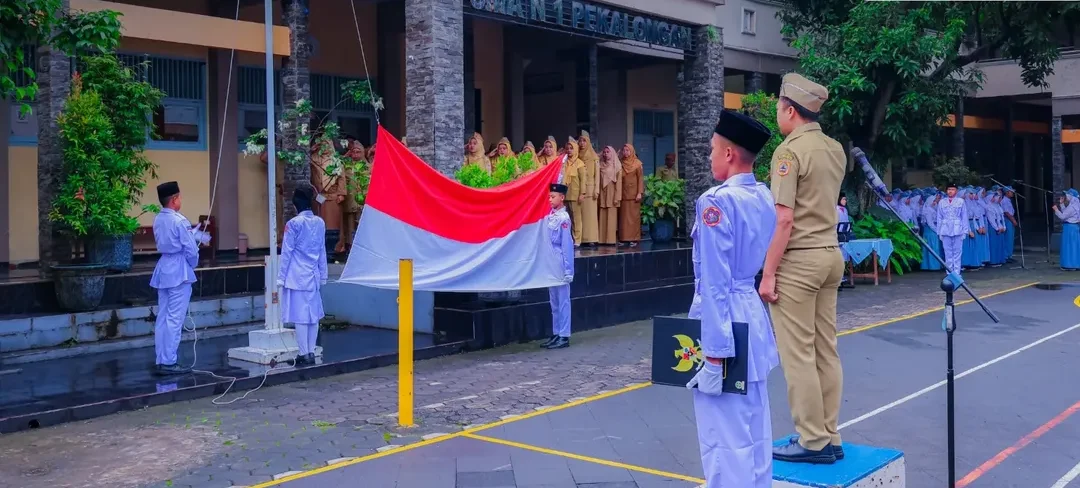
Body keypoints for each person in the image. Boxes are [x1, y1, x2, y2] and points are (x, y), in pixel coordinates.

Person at [687, 109, 779, 487]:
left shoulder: (716, 202)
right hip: (750, 317)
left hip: (725, 323)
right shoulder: (763, 196)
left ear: (728, 154)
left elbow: (714, 282)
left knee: (723, 440)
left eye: (712, 149)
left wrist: (713, 356)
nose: (709, 156)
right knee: (755, 429)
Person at [759, 73, 846, 464]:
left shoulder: (788, 152)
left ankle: (812, 440)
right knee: (826, 350)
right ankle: (830, 433)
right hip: (831, 254)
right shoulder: (834, 149)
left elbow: (783, 220)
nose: (778, 116)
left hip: (799, 260)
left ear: (789, 110)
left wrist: (769, 272)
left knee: (798, 354)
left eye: (779, 108)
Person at [151, 181, 201, 376]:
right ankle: (170, 361)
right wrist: (193, 263)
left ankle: (161, 359)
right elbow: (190, 250)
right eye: (179, 196)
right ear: (173, 199)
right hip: (179, 269)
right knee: (174, 318)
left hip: (164, 267)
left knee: (162, 317)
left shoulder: (158, 219)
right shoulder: (179, 221)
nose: (180, 200)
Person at [279, 186, 328, 365]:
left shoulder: (293, 224)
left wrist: (280, 278)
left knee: (301, 316)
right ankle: (311, 351)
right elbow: (322, 250)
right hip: (313, 275)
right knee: (313, 315)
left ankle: (303, 352)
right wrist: (324, 274)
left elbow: (287, 253)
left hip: (297, 276)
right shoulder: (320, 222)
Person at [541, 183, 575, 350]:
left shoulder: (564, 219)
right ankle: (556, 333)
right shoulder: (550, 216)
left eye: (553, 197)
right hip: (551, 264)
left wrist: (569, 271)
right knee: (554, 302)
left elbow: (567, 246)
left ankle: (564, 335)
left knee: (563, 302)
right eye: (549, 196)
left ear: (562, 198)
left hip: (561, 263)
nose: (550, 199)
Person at [937, 183, 969, 276]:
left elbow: (964, 217)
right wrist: (939, 232)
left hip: (957, 229)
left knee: (957, 252)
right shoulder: (942, 202)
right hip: (945, 229)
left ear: (956, 191)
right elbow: (939, 217)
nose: (950, 191)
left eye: (952, 189)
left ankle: (957, 273)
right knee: (947, 253)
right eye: (949, 189)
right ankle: (949, 273)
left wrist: (965, 231)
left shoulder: (960, 201)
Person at [578, 131, 601, 247]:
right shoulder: (577, 155)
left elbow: (597, 175)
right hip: (580, 190)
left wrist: (596, 189)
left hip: (591, 190)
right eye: (580, 141)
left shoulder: (594, 157)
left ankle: (592, 238)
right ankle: (582, 238)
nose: (582, 143)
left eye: (584, 141)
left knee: (591, 216)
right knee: (581, 215)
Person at [618, 143, 644, 247]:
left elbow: (640, 179)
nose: (625, 152)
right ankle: (624, 238)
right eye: (624, 150)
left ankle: (634, 239)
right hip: (623, 194)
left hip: (634, 196)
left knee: (633, 218)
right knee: (623, 218)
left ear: (632, 151)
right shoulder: (620, 163)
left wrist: (639, 192)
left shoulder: (637, 164)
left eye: (627, 150)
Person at [562, 138, 587, 247]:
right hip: (565, 193)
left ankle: (577, 240)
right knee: (567, 218)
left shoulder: (579, 163)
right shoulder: (564, 162)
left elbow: (583, 180)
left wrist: (582, 194)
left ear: (576, 149)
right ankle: (570, 239)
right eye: (567, 148)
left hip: (576, 195)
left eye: (572, 148)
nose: (569, 150)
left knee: (576, 219)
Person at [598, 146, 623, 245]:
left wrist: (617, 197)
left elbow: (619, 184)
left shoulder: (617, 167)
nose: (605, 154)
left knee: (611, 218)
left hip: (612, 194)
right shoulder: (600, 165)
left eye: (608, 152)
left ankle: (611, 240)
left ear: (612, 153)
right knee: (602, 216)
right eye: (604, 152)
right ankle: (602, 239)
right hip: (603, 194)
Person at [1053, 189, 1080, 270]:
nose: (1066, 196)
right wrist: (1061, 204)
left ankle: (1069, 265)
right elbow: (1066, 213)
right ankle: (1075, 264)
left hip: (1070, 228)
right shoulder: (1075, 205)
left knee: (1069, 246)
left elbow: (1063, 216)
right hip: (1073, 227)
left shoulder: (1072, 207)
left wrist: (1056, 210)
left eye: (1067, 195)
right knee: (1074, 246)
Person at [920, 191, 944, 271]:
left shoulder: (932, 209)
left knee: (934, 247)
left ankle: (934, 265)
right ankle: (932, 266)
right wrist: (937, 230)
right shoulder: (928, 211)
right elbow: (930, 223)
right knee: (932, 247)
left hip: (932, 230)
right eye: (933, 201)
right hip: (930, 231)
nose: (935, 202)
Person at [1001, 186, 1018, 261]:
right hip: (1008, 219)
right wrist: (1013, 220)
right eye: (1011, 191)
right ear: (1007, 192)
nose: (1013, 193)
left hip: (1010, 218)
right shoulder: (1004, 200)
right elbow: (1006, 212)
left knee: (1010, 238)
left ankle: (1009, 255)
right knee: (1008, 238)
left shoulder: (1008, 200)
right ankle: (1006, 255)